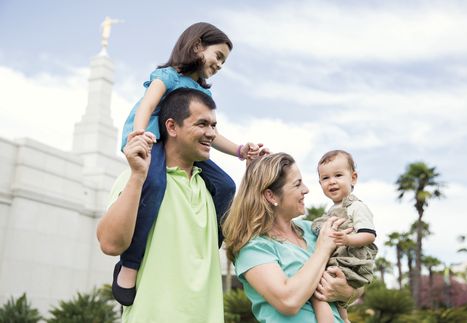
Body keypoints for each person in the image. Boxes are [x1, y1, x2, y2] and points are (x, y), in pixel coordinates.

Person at [114, 22, 263, 306]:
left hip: (184, 145)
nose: (220, 64)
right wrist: (140, 135)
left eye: (224, 61)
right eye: (218, 56)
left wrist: (241, 150)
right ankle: (130, 264)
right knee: (155, 183)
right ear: (197, 47)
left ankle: (209, 244)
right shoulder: (167, 76)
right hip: (152, 139)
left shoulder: (201, 94)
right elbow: (147, 104)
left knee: (225, 185)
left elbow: (210, 134)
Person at [97, 88, 227, 322]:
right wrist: (137, 176)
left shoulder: (211, 190)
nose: (211, 133)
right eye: (202, 124)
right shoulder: (138, 179)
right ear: (171, 127)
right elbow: (109, 243)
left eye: (214, 125)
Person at [222, 153, 362, 322]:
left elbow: (356, 280)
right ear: (271, 196)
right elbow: (288, 301)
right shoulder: (253, 247)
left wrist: (346, 292)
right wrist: (323, 249)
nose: (306, 189)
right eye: (297, 184)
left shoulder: (313, 229)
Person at [311, 150, 378, 322]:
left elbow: (369, 235)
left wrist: (348, 240)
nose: (332, 181)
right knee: (335, 299)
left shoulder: (356, 207)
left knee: (320, 291)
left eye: (338, 175)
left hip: (352, 259)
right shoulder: (331, 210)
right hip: (339, 259)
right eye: (325, 178)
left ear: (353, 178)